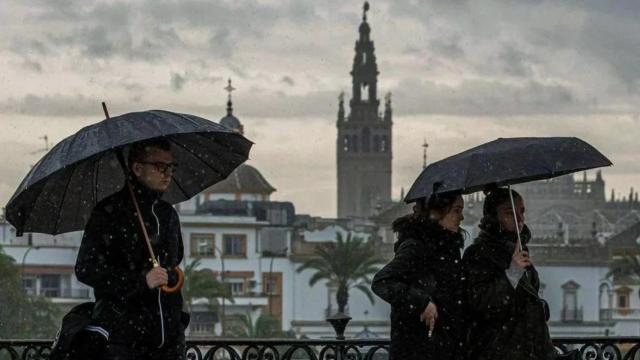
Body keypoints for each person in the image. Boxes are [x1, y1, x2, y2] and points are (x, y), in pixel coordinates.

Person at [74, 138, 188, 360]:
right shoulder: (109, 213)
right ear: (137, 168)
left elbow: (174, 263)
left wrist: (171, 277)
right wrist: (140, 281)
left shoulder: (167, 215)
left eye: (171, 167)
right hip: (122, 340)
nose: (167, 174)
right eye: (160, 167)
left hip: (169, 341)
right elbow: (86, 269)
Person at [462, 188, 555, 360]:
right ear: (493, 218)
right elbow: (480, 304)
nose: (520, 219)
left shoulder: (519, 250)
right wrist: (512, 274)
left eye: (521, 211)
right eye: (510, 213)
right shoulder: (477, 254)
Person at [371, 193, 466, 360]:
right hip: (419, 349)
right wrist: (421, 303)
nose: (462, 217)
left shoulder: (448, 248)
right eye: (456, 210)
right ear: (438, 213)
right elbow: (383, 281)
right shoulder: (416, 246)